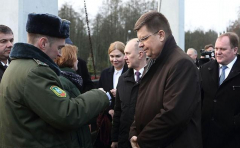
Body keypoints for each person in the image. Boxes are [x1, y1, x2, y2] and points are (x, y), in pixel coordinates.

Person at [0, 13, 109, 148]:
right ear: (43, 43)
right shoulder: (36, 72)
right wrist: (101, 95)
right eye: (59, 48)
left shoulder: (17, 65)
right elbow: (67, 114)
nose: (59, 54)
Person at [129, 11, 202, 148]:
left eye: (144, 38)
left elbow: (173, 116)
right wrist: (134, 132)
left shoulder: (182, 64)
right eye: (139, 40)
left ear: (161, 35)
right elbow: (143, 105)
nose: (141, 45)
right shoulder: (154, 62)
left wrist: (141, 140)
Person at [200, 32, 240, 148]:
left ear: (234, 50)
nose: (217, 52)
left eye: (222, 49)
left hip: (234, 139)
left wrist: (234, 123)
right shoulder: (205, 69)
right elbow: (199, 99)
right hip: (207, 137)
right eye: (216, 48)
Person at [111, 38, 147, 148]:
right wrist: (115, 139)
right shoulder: (122, 79)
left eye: (127, 53)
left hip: (144, 141)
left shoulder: (155, 78)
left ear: (140, 54)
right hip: (124, 141)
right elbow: (118, 111)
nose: (125, 57)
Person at [95, 41, 128, 148]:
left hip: (125, 120)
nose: (114, 59)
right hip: (108, 121)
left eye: (118, 56)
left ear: (125, 55)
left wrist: (120, 93)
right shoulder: (105, 73)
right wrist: (109, 109)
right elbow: (100, 95)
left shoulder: (131, 72)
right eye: (112, 56)